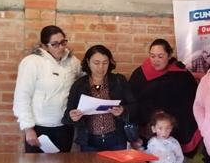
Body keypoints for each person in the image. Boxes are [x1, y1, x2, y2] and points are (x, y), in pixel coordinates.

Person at [13, 25, 81, 153]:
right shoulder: (31, 62)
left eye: (63, 42)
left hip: (65, 126)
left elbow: (87, 76)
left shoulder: (72, 61)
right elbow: (22, 97)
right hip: (39, 127)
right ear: (44, 46)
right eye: (55, 44)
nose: (61, 47)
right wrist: (28, 128)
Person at [128, 39, 201, 154]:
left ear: (170, 55)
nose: (155, 60)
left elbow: (191, 102)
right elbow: (132, 102)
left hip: (172, 132)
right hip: (147, 131)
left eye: (160, 56)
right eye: (152, 56)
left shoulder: (181, 75)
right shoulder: (140, 74)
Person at [63, 45, 138, 152]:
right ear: (88, 62)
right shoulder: (79, 85)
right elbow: (67, 116)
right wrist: (72, 117)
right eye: (96, 63)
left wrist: (123, 110)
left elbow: (134, 106)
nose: (101, 67)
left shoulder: (119, 81)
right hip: (89, 140)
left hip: (115, 138)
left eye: (105, 63)